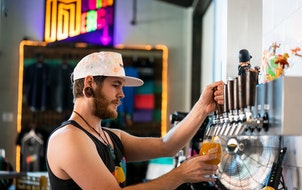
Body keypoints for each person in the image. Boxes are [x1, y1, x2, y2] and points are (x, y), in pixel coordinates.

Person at [46, 51, 224, 189]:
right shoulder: (68, 138)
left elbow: (167, 146)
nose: (122, 94)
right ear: (89, 84)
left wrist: (203, 107)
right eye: (115, 85)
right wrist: (180, 175)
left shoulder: (111, 136)